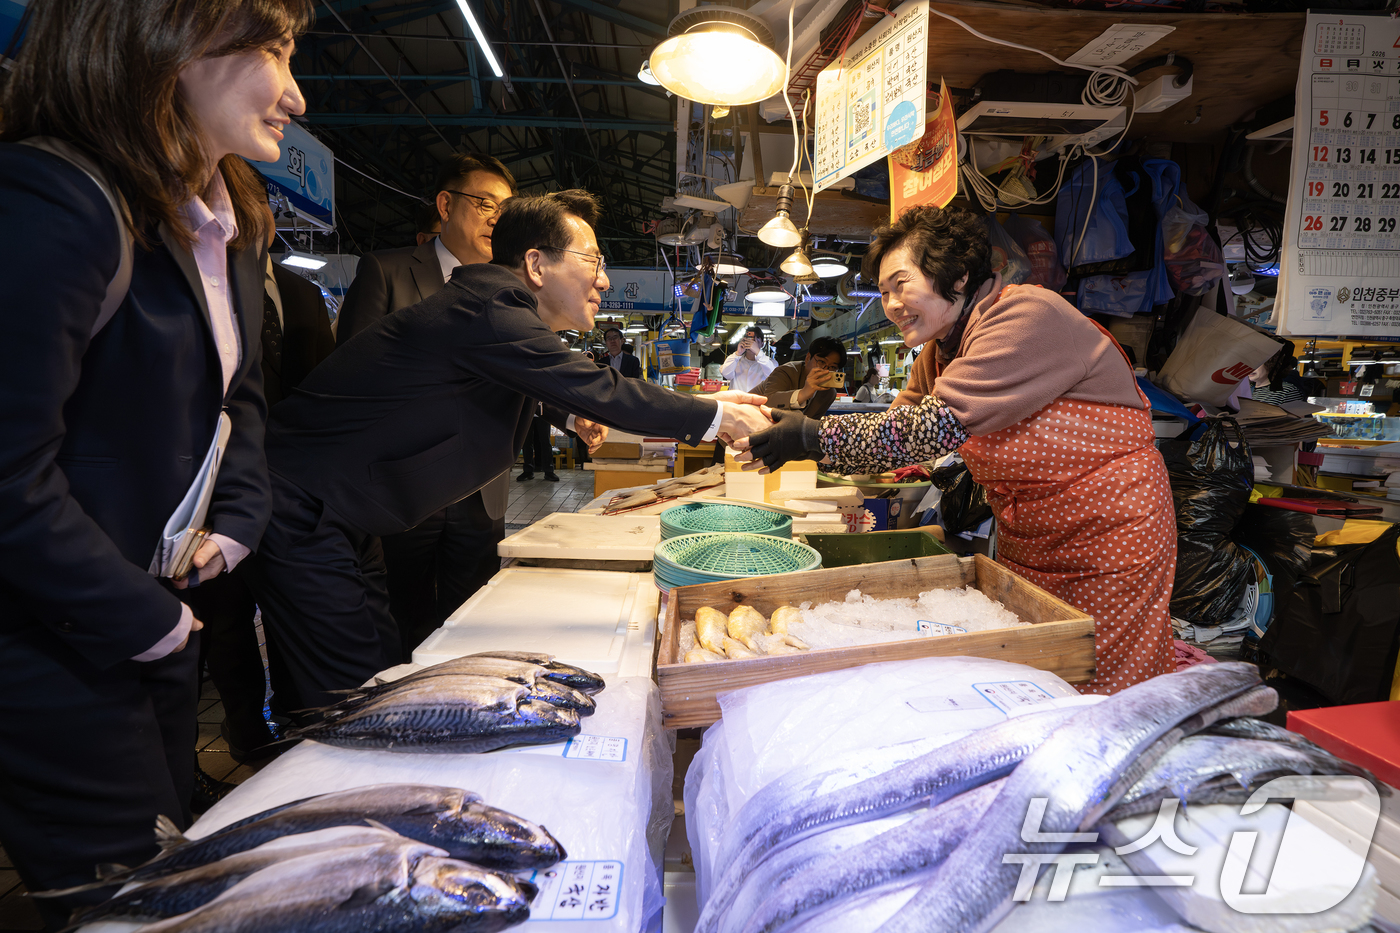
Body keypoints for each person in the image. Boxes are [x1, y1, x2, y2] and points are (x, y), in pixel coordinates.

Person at [0, 0, 306, 919]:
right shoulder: (53, 200)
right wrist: (140, 612)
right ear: (163, 43)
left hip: (159, 616)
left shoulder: (229, 218)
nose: (294, 91)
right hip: (48, 640)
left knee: (172, 866)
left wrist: (239, 522)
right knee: (121, 897)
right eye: (269, 49)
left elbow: (238, 399)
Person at [247, 190, 771, 712]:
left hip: (346, 513)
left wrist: (572, 414)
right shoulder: (490, 306)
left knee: (378, 667)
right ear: (536, 265)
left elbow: (539, 388)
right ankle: (311, 785)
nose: (605, 280)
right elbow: (597, 387)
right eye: (593, 261)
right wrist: (717, 417)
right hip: (303, 509)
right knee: (347, 692)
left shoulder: (495, 314)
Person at [738, 205, 1176, 696]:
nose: (891, 303)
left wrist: (810, 439)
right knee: (1036, 677)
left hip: (1106, 531)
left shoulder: (1026, 314)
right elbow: (892, 431)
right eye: (883, 292)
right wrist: (790, 428)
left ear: (959, 276)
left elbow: (930, 428)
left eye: (901, 284)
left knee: (1098, 675)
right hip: (1027, 534)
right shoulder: (940, 349)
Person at [335, 153, 518, 658]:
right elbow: (353, 374)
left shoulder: (509, 290)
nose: (497, 218)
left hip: (479, 491)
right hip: (403, 485)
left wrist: (570, 414)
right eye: (485, 203)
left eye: (507, 208)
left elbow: (523, 376)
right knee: (401, 617)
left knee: (472, 620)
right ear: (445, 204)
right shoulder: (388, 271)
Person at [180, 237, 336, 771]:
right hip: (217, 488)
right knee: (227, 622)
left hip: (296, 487)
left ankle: (299, 714)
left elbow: (328, 386)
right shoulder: (197, 284)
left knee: (294, 608)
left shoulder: (302, 293)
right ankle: (247, 733)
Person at [757, 336, 847, 419]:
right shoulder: (786, 371)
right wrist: (803, 393)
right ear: (808, 358)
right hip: (749, 421)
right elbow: (767, 403)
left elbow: (810, 425)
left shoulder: (828, 394)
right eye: (822, 362)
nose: (826, 370)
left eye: (833, 367)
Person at [721, 324, 777, 392]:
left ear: (762, 344)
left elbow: (773, 377)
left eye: (755, 340)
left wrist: (757, 352)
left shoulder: (771, 363)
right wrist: (737, 354)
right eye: (748, 339)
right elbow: (726, 374)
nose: (751, 344)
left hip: (758, 401)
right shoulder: (735, 360)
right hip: (737, 401)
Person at [517, 403, 559, 482]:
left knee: (545, 442)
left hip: (543, 412)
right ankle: (528, 471)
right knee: (527, 442)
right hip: (527, 413)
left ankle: (549, 471)